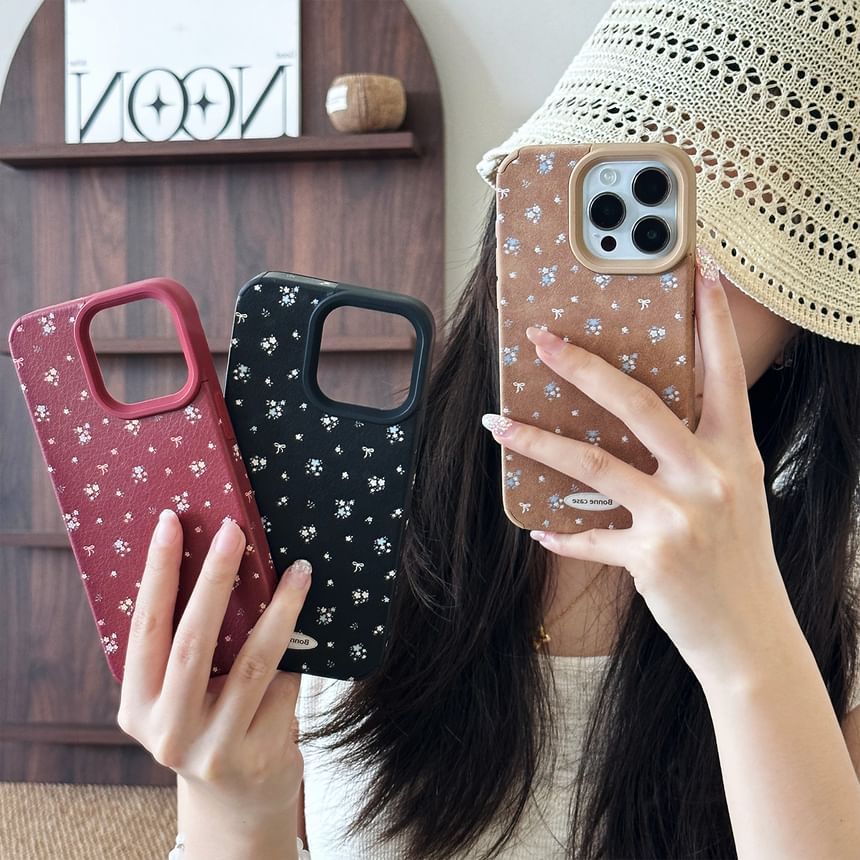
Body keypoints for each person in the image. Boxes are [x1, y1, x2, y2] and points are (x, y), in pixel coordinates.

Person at [119, 1, 860, 857]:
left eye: (734, 248)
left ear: (806, 321)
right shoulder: (352, 508)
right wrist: (233, 805)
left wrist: (748, 651)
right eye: (612, 223)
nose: (652, 291)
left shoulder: (837, 575)